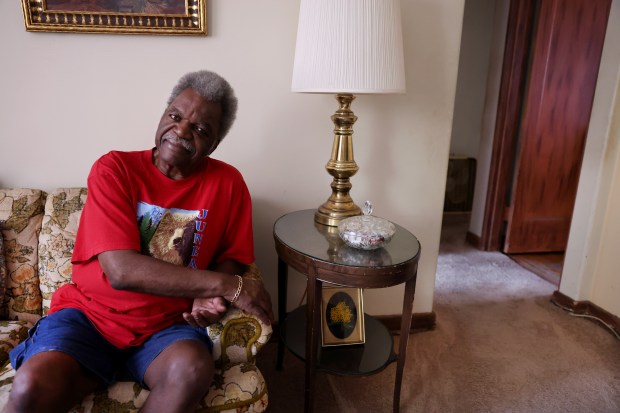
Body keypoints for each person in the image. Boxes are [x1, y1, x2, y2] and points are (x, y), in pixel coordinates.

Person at [6, 70, 274, 413]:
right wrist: (226, 285)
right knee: (30, 387)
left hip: (166, 328)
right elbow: (121, 270)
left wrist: (209, 296)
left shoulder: (229, 183)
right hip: (89, 317)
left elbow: (231, 253)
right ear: (163, 115)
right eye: (175, 116)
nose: (182, 131)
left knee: (192, 370)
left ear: (215, 143)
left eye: (201, 129)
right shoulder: (114, 169)